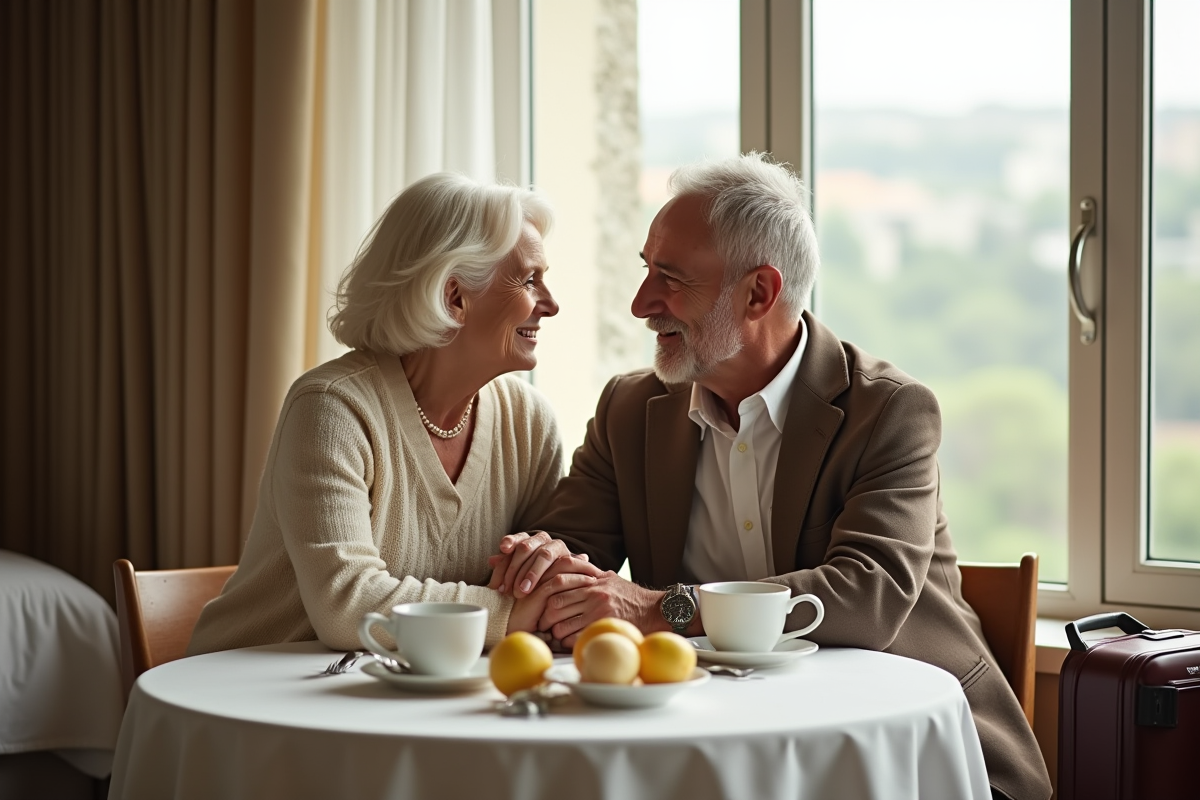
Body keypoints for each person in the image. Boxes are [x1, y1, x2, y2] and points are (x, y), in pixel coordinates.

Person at [489, 154, 1052, 800]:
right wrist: (541, 563)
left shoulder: (890, 411)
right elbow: (564, 556)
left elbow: (866, 597)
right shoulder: (629, 410)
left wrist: (661, 608)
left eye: (669, 278)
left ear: (759, 292)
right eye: (647, 271)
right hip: (717, 748)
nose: (642, 304)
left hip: (910, 757)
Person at [189, 173, 601, 657]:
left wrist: (541, 590)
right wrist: (508, 614)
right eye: (530, 280)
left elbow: (538, 584)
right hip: (256, 692)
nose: (551, 304)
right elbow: (347, 605)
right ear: (455, 298)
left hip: (411, 691)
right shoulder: (331, 408)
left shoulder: (529, 424)